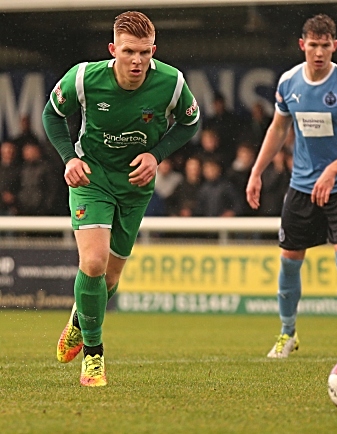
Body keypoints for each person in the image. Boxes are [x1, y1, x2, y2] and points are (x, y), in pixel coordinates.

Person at [42, 11, 200, 386]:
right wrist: (70, 158)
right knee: (93, 263)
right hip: (92, 178)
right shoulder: (83, 78)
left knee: (110, 280)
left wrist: (155, 155)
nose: (137, 61)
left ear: (153, 50)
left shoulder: (173, 83)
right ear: (113, 49)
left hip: (135, 185)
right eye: (129, 51)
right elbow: (52, 114)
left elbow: (191, 123)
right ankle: (94, 356)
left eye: (145, 53)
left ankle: (80, 319)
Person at [246, 14, 337, 359]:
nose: (319, 52)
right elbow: (277, 129)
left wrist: (333, 170)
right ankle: (287, 334)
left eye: (325, 45)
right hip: (302, 187)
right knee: (289, 262)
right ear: (302, 45)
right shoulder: (289, 82)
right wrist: (257, 171)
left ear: (335, 45)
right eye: (313, 45)